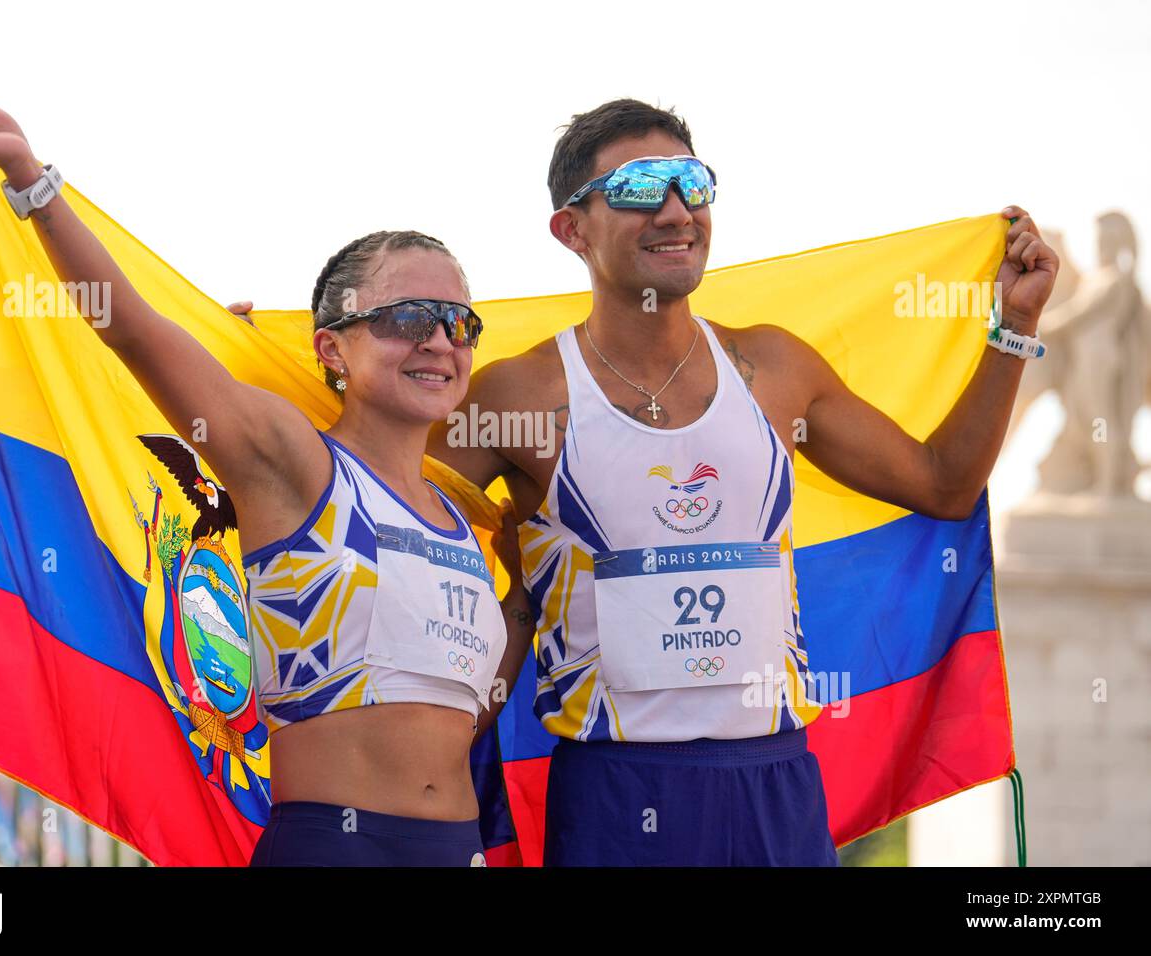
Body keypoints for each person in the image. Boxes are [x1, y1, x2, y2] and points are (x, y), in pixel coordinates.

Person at [419, 99, 1059, 865]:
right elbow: (377, 509)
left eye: (692, 183)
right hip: (615, 792)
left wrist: (1014, 327)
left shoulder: (775, 371)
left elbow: (943, 483)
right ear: (572, 228)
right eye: (637, 188)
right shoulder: (515, 397)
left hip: (774, 782)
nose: (675, 210)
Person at [0, 81, 535, 867]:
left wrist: (518, 604)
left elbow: (464, 714)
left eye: (460, 324)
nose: (441, 342)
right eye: (408, 318)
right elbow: (130, 329)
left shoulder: (462, 516)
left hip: (459, 849)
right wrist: (30, 181)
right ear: (332, 347)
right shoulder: (291, 460)